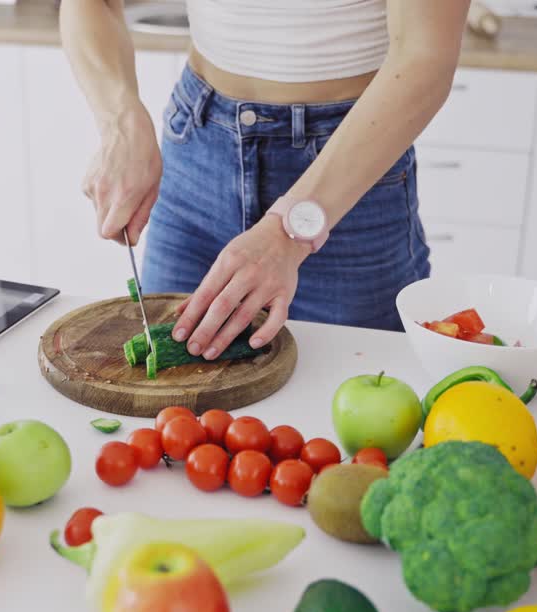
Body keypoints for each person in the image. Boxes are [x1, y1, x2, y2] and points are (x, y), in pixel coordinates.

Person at [59, 1, 470, 358]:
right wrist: (120, 121)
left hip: (347, 174)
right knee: (168, 407)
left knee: (355, 423)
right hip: (197, 149)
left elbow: (424, 56)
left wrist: (291, 229)